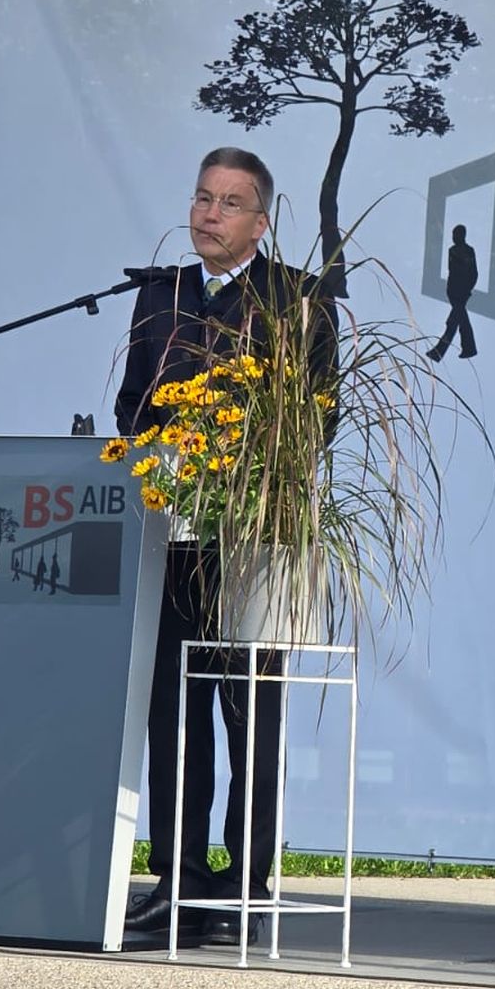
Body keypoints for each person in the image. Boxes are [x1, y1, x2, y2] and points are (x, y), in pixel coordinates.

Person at [114, 145, 339, 946]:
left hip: (254, 536)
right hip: (173, 534)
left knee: (250, 715)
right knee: (173, 713)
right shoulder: (160, 295)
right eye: (202, 198)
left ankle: (245, 884)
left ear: (261, 222)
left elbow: (318, 416)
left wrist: (241, 463)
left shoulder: (296, 299)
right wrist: (167, 454)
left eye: (229, 203)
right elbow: (132, 404)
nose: (209, 214)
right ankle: (178, 880)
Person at [427, 224, 478, 362]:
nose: (454, 237)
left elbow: (473, 273)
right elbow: (451, 271)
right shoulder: (452, 250)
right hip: (453, 290)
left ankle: (443, 351)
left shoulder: (468, 250)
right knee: (457, 319)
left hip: (462, 290)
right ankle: (467, 348)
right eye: (453, 235)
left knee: (454, 321)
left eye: (456, 234)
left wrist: (467, 289)